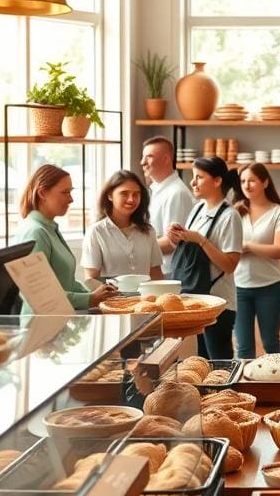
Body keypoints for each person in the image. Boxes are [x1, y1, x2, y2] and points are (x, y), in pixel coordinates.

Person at [15, 164, 118, 313]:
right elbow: (37, 294)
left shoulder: (49, 229)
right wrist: (90, 298)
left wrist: (95, 295)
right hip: (43, 326)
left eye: (70, 192)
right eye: (65, 192)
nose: (71, 199)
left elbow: (66, 283)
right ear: (42, 193)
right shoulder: (35, 232)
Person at [167, 156, 242, 360]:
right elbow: (193, 252)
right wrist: (178, 237)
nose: (193, 182)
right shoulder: (198, 208)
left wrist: (200, 240)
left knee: (219, 362)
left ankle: (227, 393)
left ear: (217, 181)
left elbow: (230, 265)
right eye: (193, 177)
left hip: (219, 303)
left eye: (199, 177)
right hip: (197, 300)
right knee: (199, 360)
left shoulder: (230, 216)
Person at [233, 163, 280, 358]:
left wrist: (247, 246)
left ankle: (278, 388)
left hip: (269, 288)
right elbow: (227, 248)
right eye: (242, 181)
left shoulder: (279, 212)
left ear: (265, 182)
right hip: (238, 288)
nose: (246, 185)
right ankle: (243, 388)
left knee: (271, 344)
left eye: (252, 180)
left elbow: (279, 250)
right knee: (243, 348)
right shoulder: (236, 211)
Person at [80, 169, 163, 282]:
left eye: (136, 194)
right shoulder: (96, 232)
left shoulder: (148, 231)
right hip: (111, 299)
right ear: (110, 195)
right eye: (124, 193)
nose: (131, 199)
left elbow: (156, 273)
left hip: (146, 299)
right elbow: (91, 279)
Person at [140, 135, 195, 275]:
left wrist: (134, 250)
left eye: (149, 157)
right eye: (143, 157)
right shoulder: (155, 189)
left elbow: (172, 242)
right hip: (156, 269)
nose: (142, 162)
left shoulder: (177, 193)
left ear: (166, 159)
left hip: (169, 272)